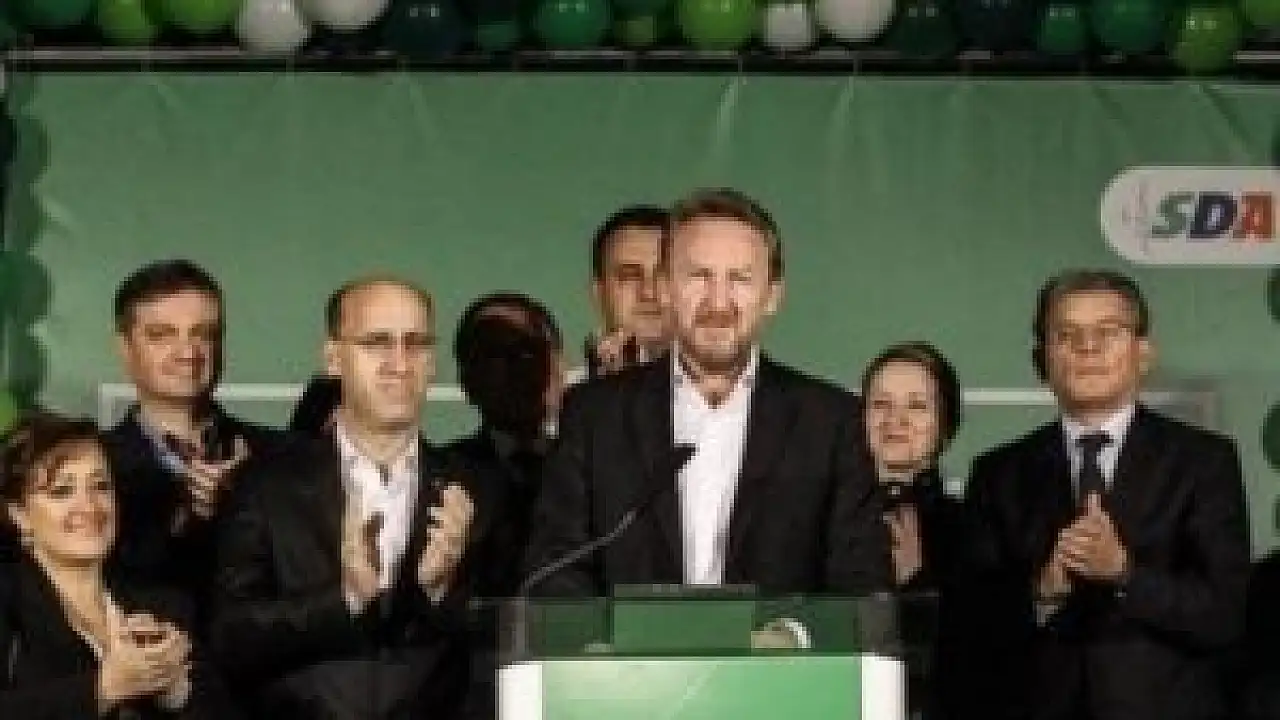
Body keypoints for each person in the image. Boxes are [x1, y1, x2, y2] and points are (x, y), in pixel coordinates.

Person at [524, 188, 890, 601]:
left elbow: (861, 587)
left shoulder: (829, 422)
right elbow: (556, 572)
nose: (718, 302)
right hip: (631, 645)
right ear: (666, 288)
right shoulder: (595, 415)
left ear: (772, 296)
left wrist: (787, 633)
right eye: (699, 276)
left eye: (740, 279)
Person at [966, 269, 1250, 720]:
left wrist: (1123, 573)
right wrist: (1044, 591)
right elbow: (969, 626)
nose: (1087, 348)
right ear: (1041, 358)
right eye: (1066, 334)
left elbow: (1225, 614)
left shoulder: (1204, 461)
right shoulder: (999, 473)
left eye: (1108, 332)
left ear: (1143, 353)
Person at [211, 277, 488, 719]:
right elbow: (231, 638)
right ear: (334, 358)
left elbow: (504, 647)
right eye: (378, 343)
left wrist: (438, 592)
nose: (400, 363)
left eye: (416, 344)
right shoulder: (266, 485)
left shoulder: (480, 489)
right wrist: (344, 599)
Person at [0, 412, 239, 719]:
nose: (89, 506)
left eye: (101, 486)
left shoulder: (166, 607)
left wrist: (176, 691)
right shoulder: (8, 604)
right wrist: (104, 689)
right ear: (19, 514)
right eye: (62, 491)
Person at [104, 260, 280, 623]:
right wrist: (188, 518)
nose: (188, 352)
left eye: (203, 334)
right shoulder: (91, 469)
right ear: (125, 348)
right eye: (162, 335)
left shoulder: (281, 456)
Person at [861, 341, 972, 720]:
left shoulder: (973, 527)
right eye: (881, 404)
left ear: (945, 425)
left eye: (917, 405)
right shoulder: (824, 517)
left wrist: (918, 583)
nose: (896, 419)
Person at [584, 205, 671, 376]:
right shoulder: (566, 391)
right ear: (599, 293)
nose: (649, 293)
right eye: (630, 276)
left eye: (664, 275)